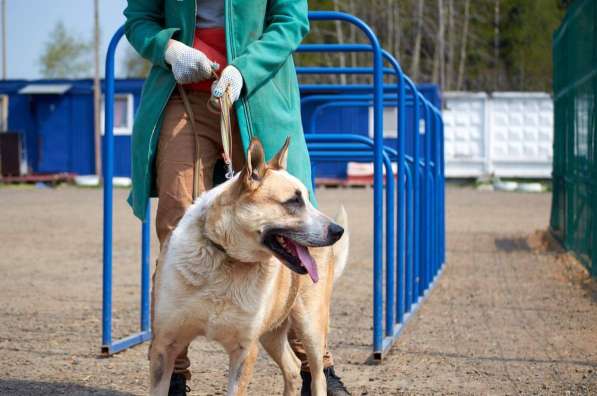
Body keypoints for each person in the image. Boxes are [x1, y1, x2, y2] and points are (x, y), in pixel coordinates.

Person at [123, 1, 351, 395]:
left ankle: (318, 367)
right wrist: (168, 49)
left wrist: (244, 69)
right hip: (183, 94)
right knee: (176, 224)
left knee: (285, 225)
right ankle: (172, 372)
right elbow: (140, 19)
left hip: (258, 91)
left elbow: (291, 20)